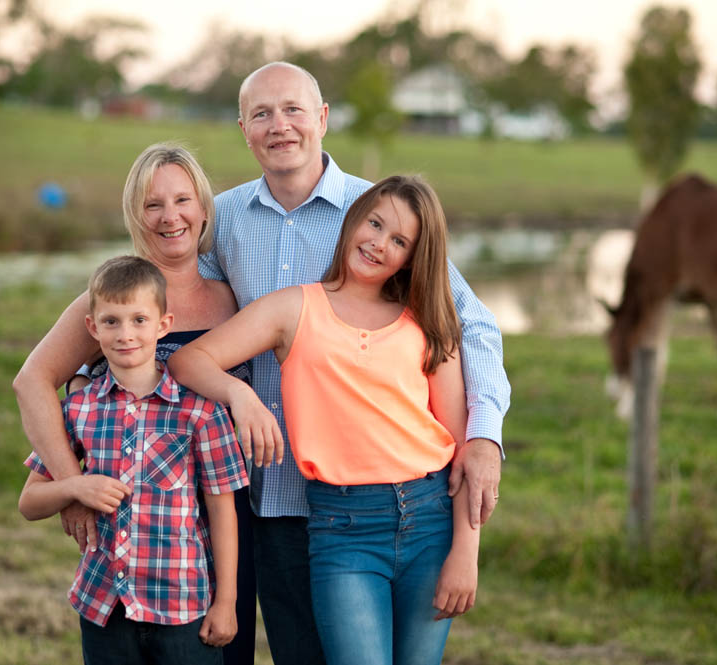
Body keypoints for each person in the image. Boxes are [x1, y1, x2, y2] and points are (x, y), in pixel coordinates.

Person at [196, 61, 511, 664]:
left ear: (322, 119)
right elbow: (186, 317)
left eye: (293, 110)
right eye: (261, 113)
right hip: (270, 493)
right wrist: (101, 368)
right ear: (243, 128)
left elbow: (468, 324)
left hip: (400, 497)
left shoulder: (379, 214)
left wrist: (485, 438)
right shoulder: (223, 219)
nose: (279, 125)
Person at [171, 175, 479, 665]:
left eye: (399, 240)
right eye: (375, 224)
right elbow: (189, 360)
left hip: (430, 521)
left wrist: (466, 552)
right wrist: (240, 394)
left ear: (413, 256)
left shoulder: (428, 319)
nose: (379, 244)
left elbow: (464, 450)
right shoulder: (294, 308)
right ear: (353, 219)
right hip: (343, 528)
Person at [12, 143, 258, 664]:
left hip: (223, 509)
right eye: (152, 205)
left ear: (204, 208)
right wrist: (71, 486)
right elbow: (32, 381)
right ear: (135, 214)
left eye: (182, 200)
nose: (170, 216)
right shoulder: (118, 297)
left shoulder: (233, 297)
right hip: (139, 520)